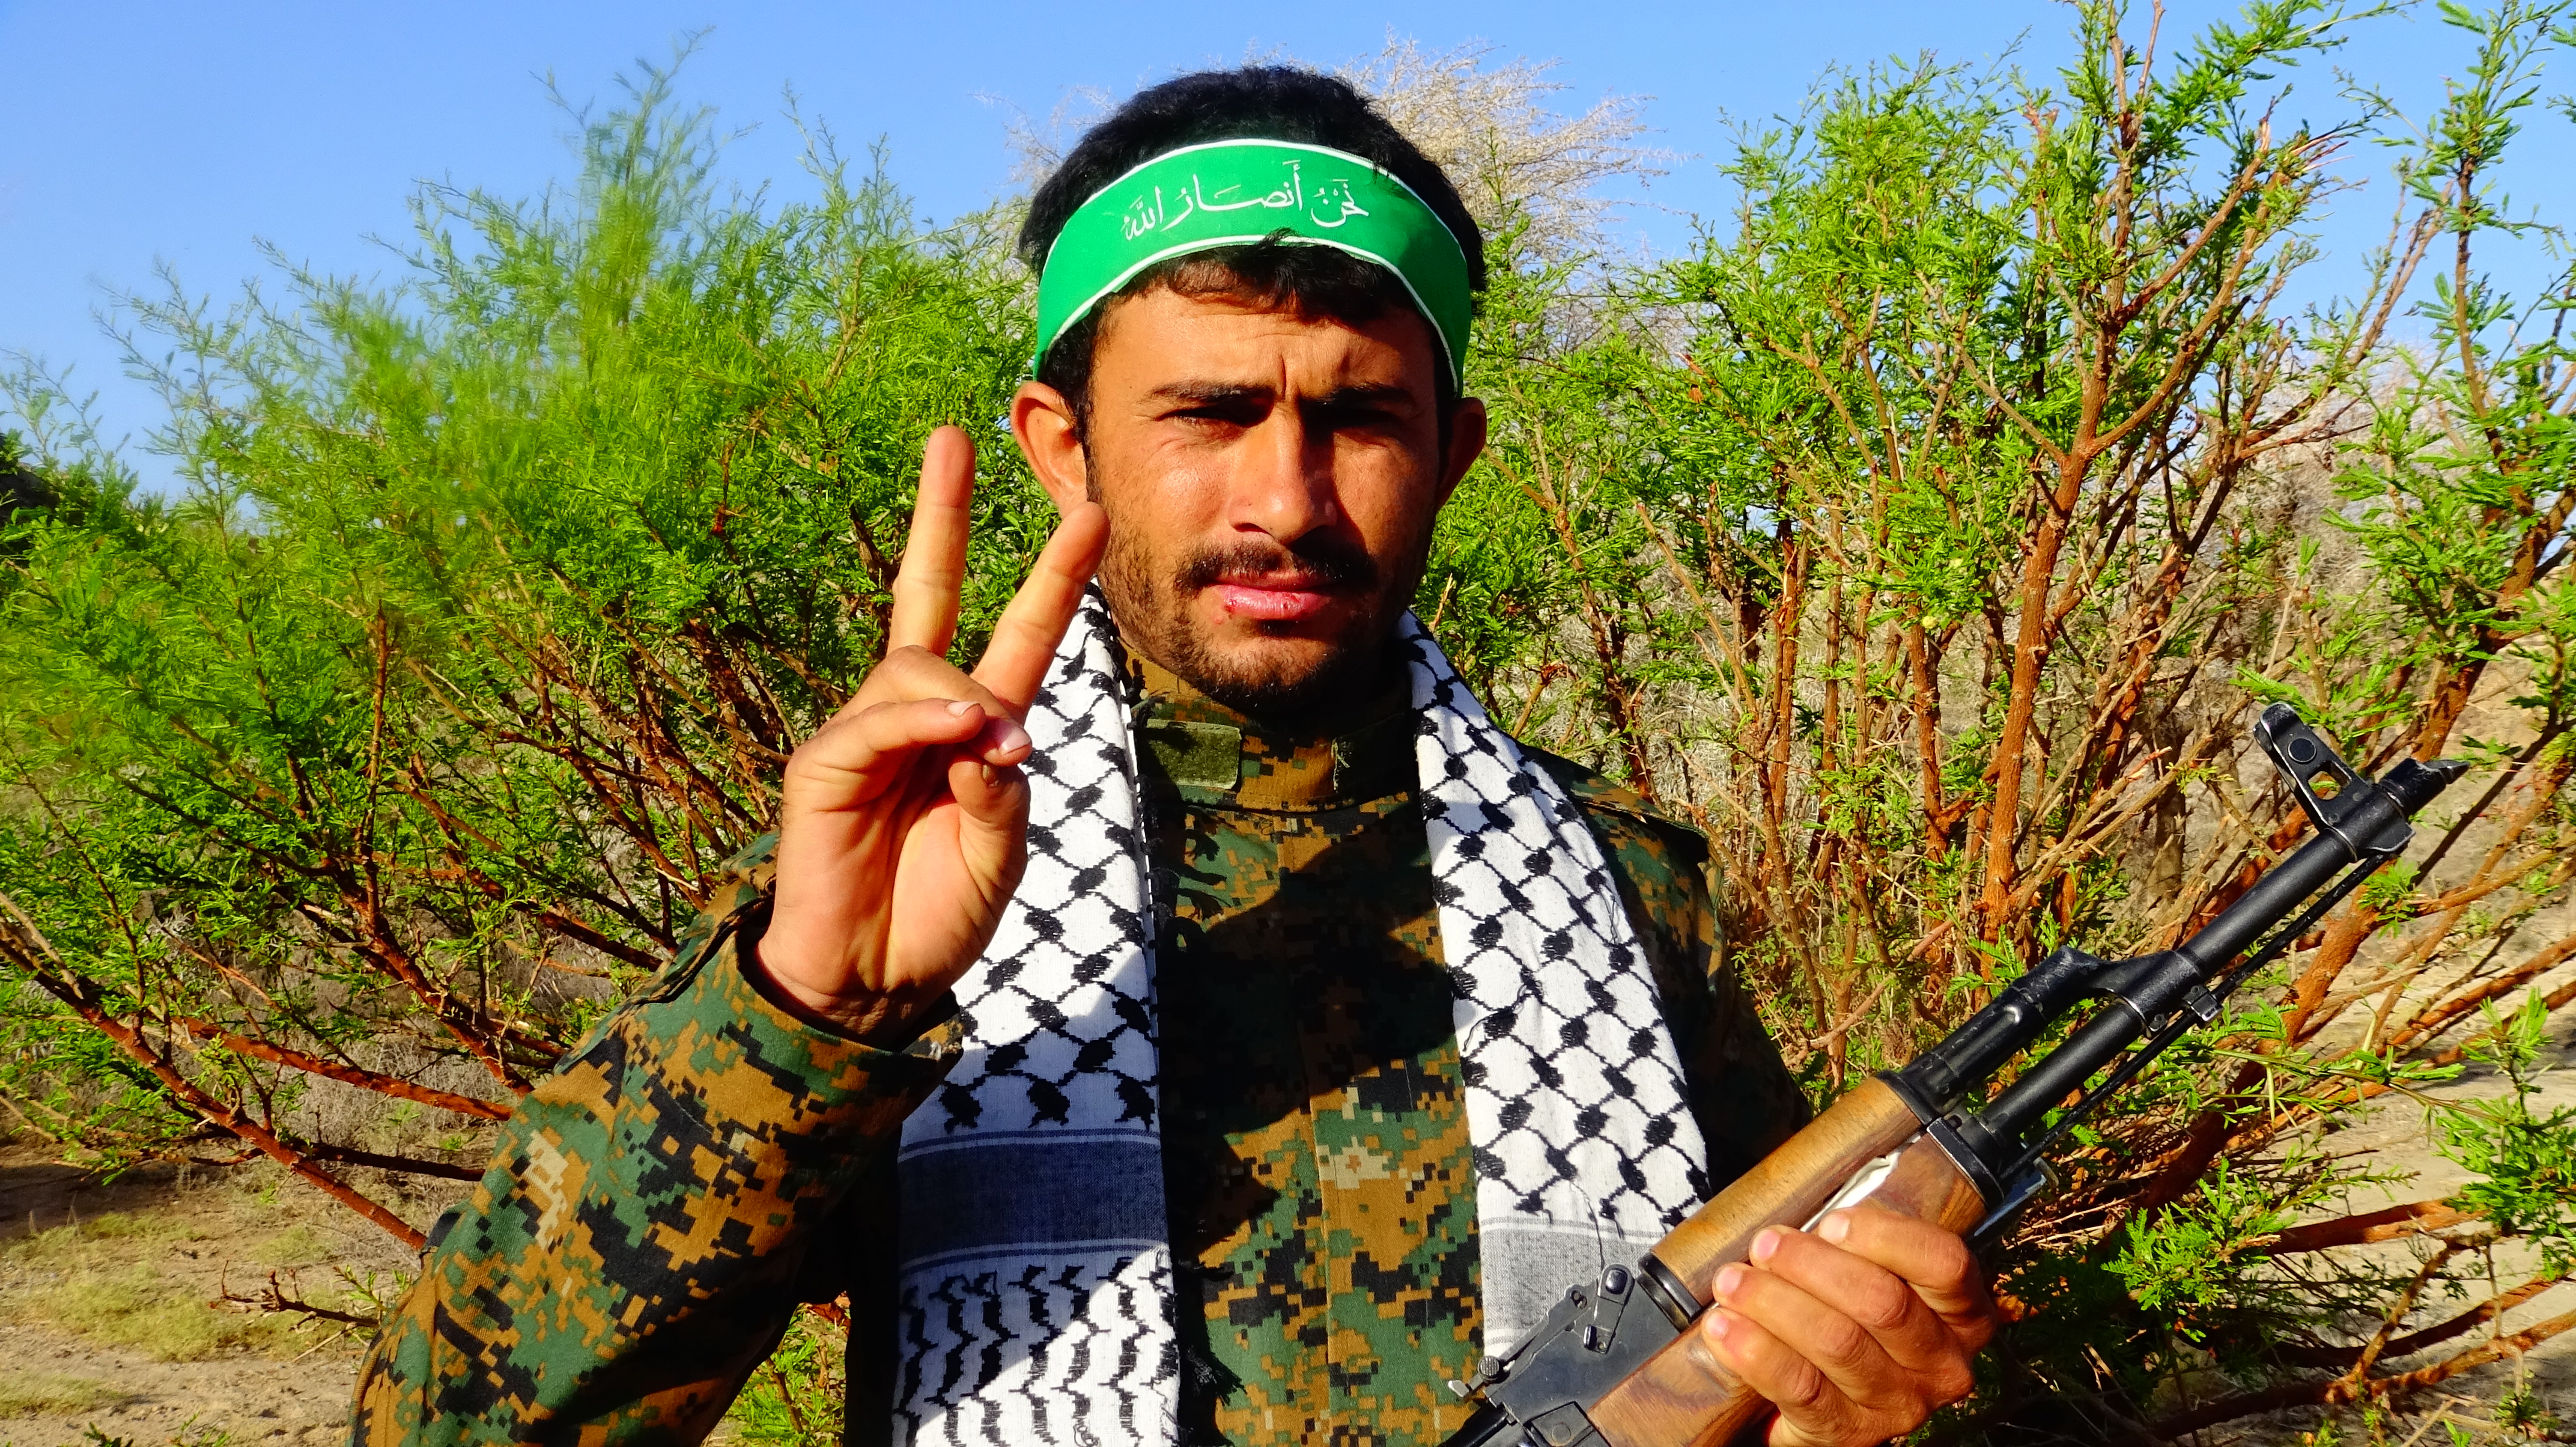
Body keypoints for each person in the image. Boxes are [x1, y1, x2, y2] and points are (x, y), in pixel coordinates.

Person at [351, 66, 1993, 1447]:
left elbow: (1763, 1361)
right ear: (1063, 450)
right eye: (1210, 414)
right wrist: (802, 1020)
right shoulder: (901, 878)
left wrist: (1850, 1405)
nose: (1287, 500)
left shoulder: (1620, 899)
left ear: (1451, 453)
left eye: (1359, 417)